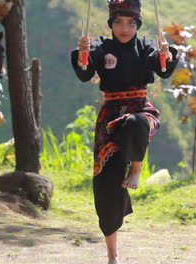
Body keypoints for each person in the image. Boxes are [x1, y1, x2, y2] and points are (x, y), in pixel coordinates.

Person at [70, 0, 178, 263]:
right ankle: (112, 255)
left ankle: (137, 167)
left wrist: (167, 53)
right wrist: (83, 54)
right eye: (118, 22)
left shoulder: (146, 46)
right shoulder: (101, 47)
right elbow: (85, 73)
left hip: (141, 109)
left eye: (131, 23)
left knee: (136, 123)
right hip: (110, 115)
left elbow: (162, 69)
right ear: (111, 24)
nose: (125, 28)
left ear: (138, 25)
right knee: (107, 184)